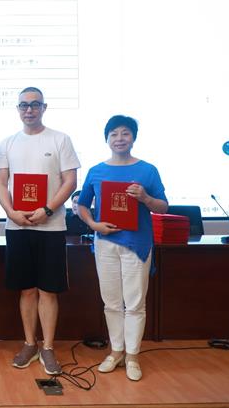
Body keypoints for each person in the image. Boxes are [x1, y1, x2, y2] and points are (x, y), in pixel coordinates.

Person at [0, 87, 80, 375]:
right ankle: (30, 343)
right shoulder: (7, 143)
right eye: (23, 105)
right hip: (17, 226)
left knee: (49, 290)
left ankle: (48, 347)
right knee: (27, 289)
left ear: (44, 107)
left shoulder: (60, 139)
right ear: (18, 109)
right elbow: (1, 182)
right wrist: (11, 212)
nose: (29, 110)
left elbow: (70, 181)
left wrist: (48, 209)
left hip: (51, 226)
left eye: (34, 105)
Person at [77, 115, 168, 381]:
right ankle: (116, 351)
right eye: (114, 134)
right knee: (112, 302)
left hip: (137, 243)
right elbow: (82, 205)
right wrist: (94, 224)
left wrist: (146, 197)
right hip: (105, 242)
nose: (119, 138)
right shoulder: (96, 170)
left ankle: (132, 356)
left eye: (125, 133)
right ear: (107, 139)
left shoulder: (147, 170)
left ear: (133, 138)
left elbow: (163, 206)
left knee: (135, 303)